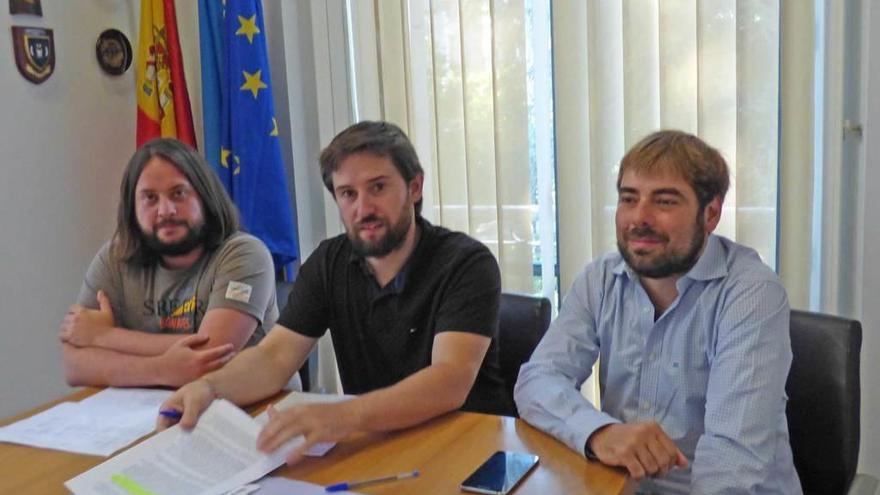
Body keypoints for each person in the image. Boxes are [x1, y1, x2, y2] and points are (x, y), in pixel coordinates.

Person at [158, 121, 506, 463]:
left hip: (469, 444)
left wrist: (343, 415)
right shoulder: (329, 263)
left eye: (378, 187)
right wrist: (210, 389)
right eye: (348, 194)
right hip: (382, 441)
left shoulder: (467, 263)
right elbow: (274, 358)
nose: (363, 208)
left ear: (414, 188)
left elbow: (451, 379)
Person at [514, 130, 802, 494]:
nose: (639, 218)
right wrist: (601, 432)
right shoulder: (600, 279)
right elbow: (536, 381)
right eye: (628, 199)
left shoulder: (750, 294)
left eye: (664, 202)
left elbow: (732, 467)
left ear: (710, 214)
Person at [61, 138, 278, 388]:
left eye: (178, 193)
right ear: (132, 209)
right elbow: (74, 365)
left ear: (205, 197)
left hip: (251, 410)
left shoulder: (244, 254)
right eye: (150, 198)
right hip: (150, 412)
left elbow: (213, 352)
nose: (166, 210)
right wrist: (161, 370)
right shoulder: (114, 259)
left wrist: (102, 336)